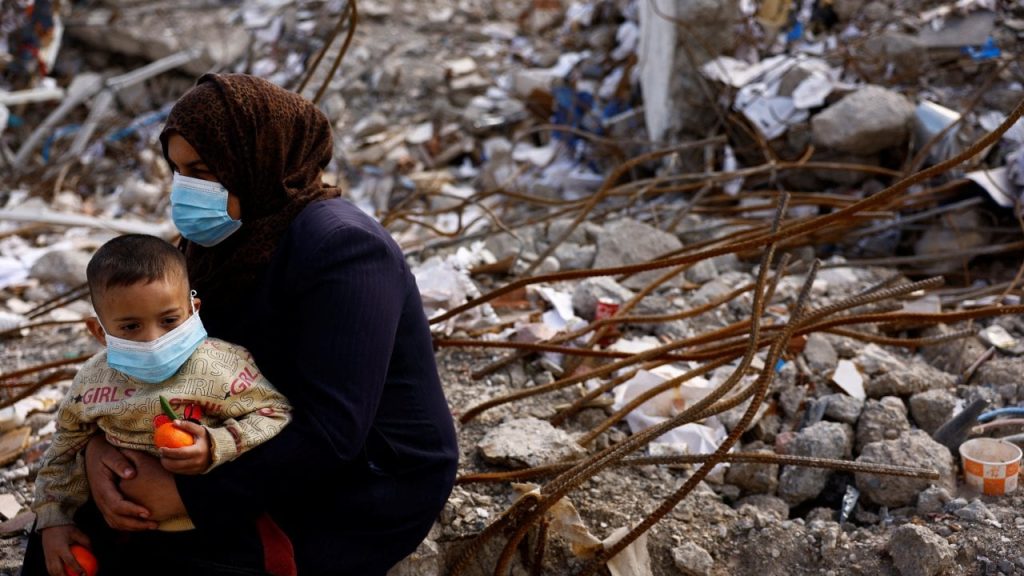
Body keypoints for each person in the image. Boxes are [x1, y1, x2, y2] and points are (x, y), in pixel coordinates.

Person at [80, 74, 459, 575]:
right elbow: (165, 358)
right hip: (243, 437)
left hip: (361, 477)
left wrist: (189, 496)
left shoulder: (344, 248)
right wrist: (102, 452)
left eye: (203, 169)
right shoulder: (221, 241)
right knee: (79, 527)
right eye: (178, 171)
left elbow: (334, 430)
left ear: (258, 159)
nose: (187, 190)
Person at [26, 234, 295, 576]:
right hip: (123, 529)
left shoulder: (222, 367)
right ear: (98, 331)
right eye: (131, 327)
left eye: (169, 321)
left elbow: (273, 412)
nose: (153, 339)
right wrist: (53, 521)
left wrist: (217, 444)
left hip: (212, 529)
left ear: (193, 310)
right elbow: (64, 450)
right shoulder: (93, 380)